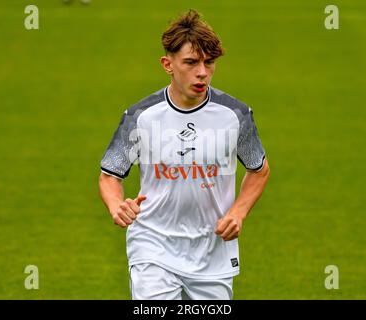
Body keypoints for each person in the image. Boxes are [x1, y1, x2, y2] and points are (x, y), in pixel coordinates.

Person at [99, 9, 270, 300]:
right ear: (168, 64)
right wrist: (117, 206)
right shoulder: (141, 116)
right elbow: (109, 175)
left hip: (212, 252)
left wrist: (238, 213)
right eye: (191, 62)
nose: (202, 72)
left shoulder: (235, 115)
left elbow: (259, 169)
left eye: (209, 62)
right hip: (152, 245)